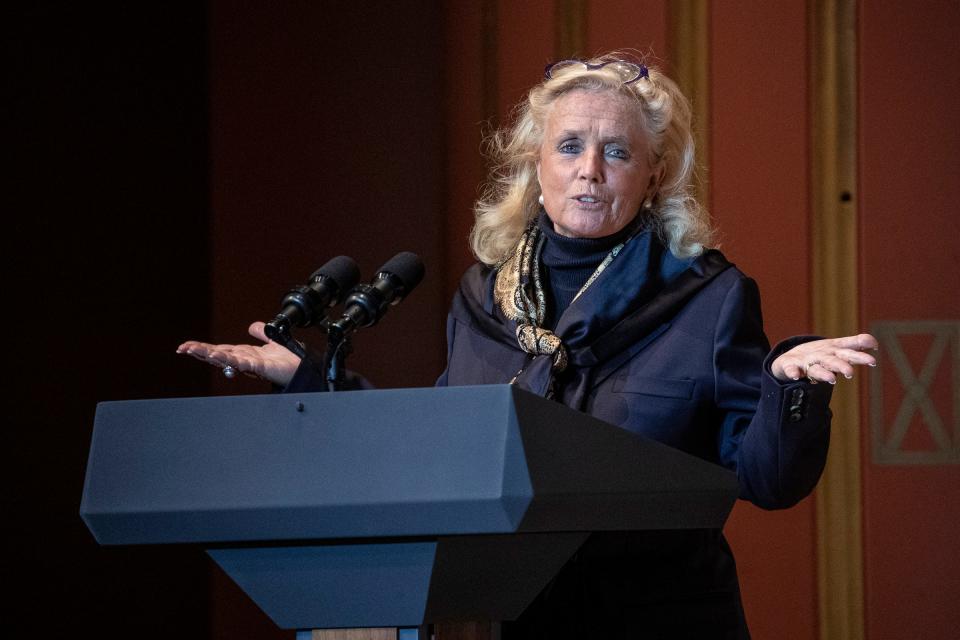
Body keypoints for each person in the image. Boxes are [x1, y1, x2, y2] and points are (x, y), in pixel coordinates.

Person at [179, 53, 877, 638]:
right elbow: (444, 447)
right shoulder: (483, 299)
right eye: (570, 146)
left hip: (665, 618)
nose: (590, 170)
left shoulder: (708, 297)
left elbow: (767, 482)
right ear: (535, 167)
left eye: (618, 151)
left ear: (652, 175)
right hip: (531, 618)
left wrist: (791, 389)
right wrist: (313, 380)